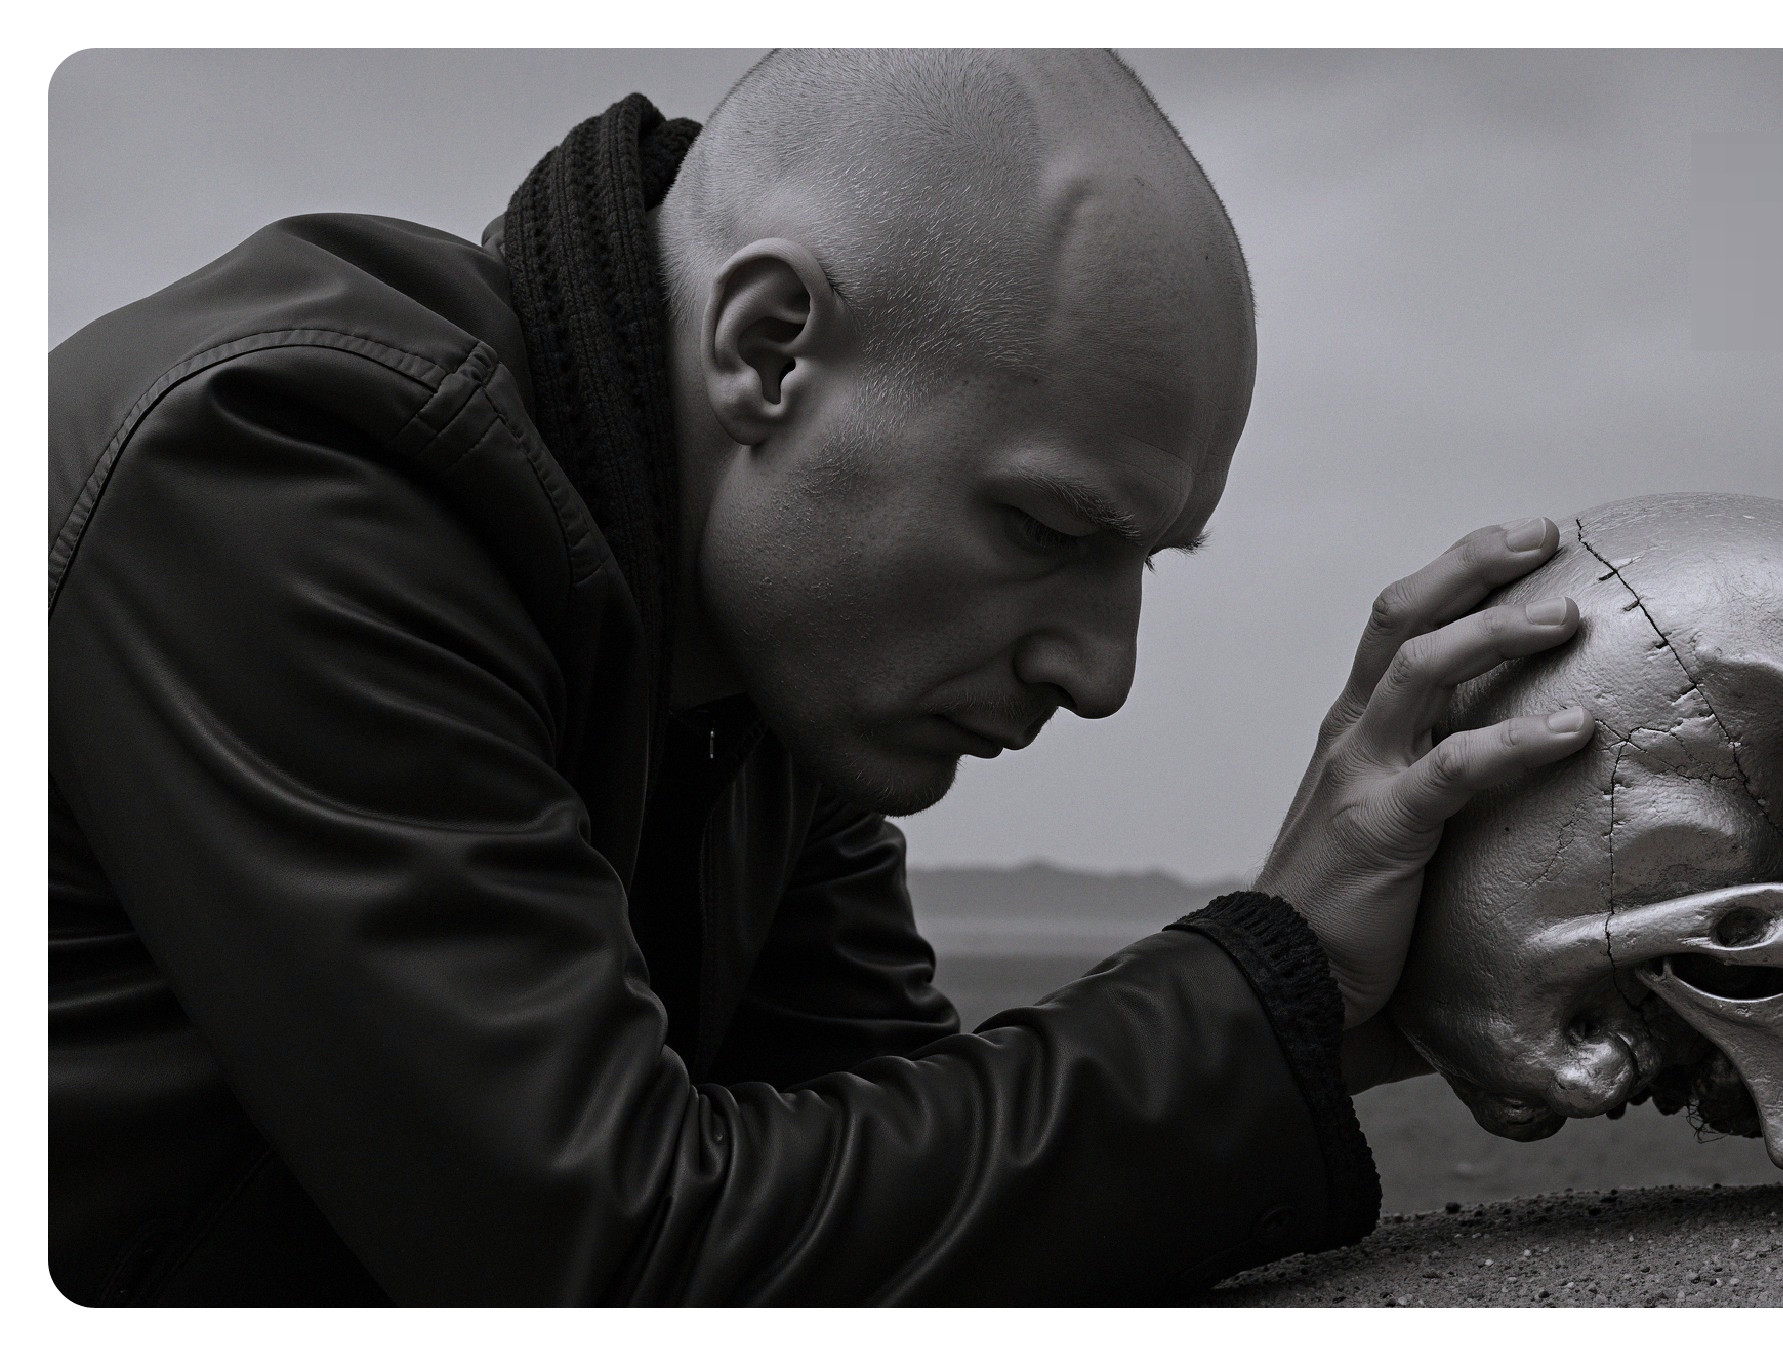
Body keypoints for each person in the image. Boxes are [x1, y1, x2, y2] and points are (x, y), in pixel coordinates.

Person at [48, 49, 1593, 1305]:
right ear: (769, 345)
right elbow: (615, 1254)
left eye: (1151, 561)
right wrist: (1287, 973)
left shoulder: (752, 670)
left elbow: (890, 1186)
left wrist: (1356, 1008)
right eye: (1048, 527)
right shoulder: (283, 467)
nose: (1101, 671)